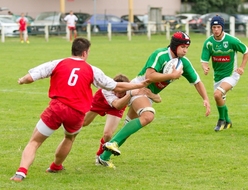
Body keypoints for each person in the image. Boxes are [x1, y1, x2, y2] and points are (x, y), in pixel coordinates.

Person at [10, 37, 150, 182]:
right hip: (76, 113)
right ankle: (56, 166)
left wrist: (22, 80)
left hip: (57, 108)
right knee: (69, 138)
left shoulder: (57, 63)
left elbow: (31, 77)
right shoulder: (92, 70)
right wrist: (137, 85)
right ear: (84, 53)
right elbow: (116, 86)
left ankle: (21, 172)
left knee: (35, 142)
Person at [97, 31, 211, 169]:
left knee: (129, 128)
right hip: (139, 88)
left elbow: (197, 82)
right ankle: (111, 143)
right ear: (174, 46)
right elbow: (149, 76)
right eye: (183, 47)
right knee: (148, 115)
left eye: (187, 47)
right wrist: (171, 75)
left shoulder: (183, 63)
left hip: (148, 95)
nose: (185, 50)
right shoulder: (160, 55)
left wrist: (205, 99)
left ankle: (103, 157)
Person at [82, 74, 161, 162]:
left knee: (108, 134)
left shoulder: (131, 87)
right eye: (117, 91)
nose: (119, 94)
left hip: (117, 106)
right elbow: (117, 105)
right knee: (83, 123)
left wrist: (150, 94)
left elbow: (159, 99)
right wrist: (130, 94)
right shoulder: (107, 89)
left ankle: (100, 155)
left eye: (122, 92)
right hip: (101, 102)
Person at [200, 15, 248, 132]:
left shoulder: (231, 40)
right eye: (214, 27)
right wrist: (205, 67)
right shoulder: (209, 43)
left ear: (222, 28)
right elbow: (204, 61)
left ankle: (221, 120)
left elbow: (246, 52)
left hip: (232, 75)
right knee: (220, 99)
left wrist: (242, 67)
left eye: (218, 27)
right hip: (217, 77)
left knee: (217, 95)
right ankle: (228, 121)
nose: (216, 29)